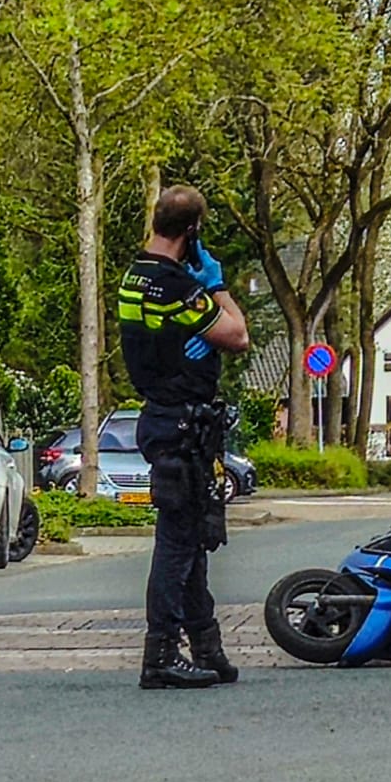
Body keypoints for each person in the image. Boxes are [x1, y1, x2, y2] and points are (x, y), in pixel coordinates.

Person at [116, 185, 251, 689]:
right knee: (176, 543)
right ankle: (161, 655)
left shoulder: (135, 276)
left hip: (163, 416)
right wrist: (215, 285)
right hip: (181, 422)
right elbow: (237, 335)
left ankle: (205, 643)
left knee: (192, 538)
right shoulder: (175, 286)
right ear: (193, 230)